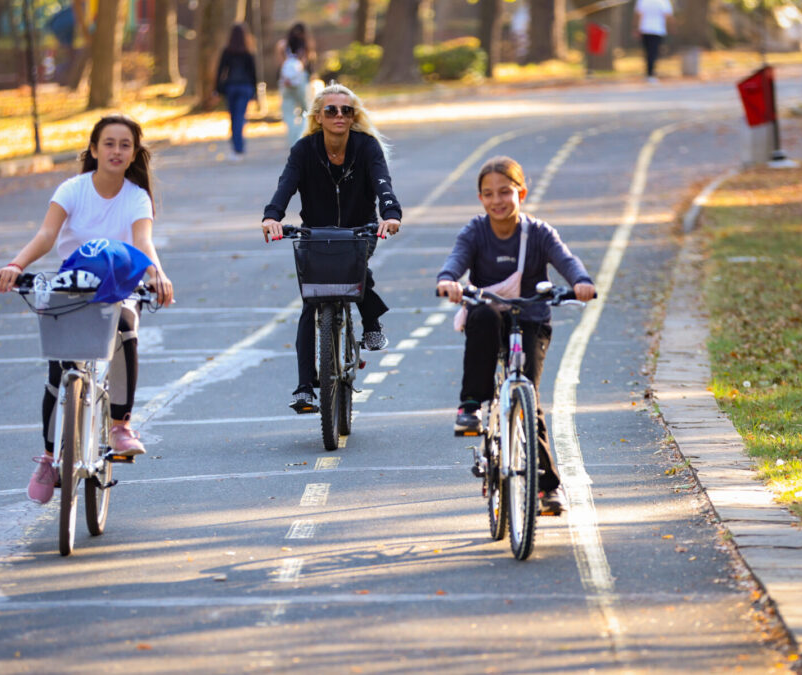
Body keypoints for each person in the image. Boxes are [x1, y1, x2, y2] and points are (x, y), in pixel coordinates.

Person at [0, 114, 175, 504]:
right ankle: (48, 458)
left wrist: (157, 274)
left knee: (126, 326)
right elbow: (47, 235)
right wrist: (16, 265)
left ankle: (120, 426)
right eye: (108, 143)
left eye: (125, 145)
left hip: (119, 286)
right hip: (73, 287)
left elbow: (144, 243)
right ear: (94, 149)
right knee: (58, 372)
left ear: (133, 154)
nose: (116, 151)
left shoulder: (136, 197)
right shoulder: (72, 190)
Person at [436, 156, 596, 516]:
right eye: (489, 194)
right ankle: (471, 407)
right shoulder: (475, 232)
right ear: (481, 198)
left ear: (521, 193)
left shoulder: (538, 233)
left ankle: (547, 489)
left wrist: (581, 282)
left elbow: (566, 260)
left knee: (528, 399)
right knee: (482, 315)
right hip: (489, 319)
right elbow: (456, 259)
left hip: (531, 319)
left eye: (505, 192)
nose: (498, 200)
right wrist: (448, 279)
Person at [262, 83, 402, 414]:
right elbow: (286, 185)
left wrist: (391, 214)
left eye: (346, 110)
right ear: (318, 117)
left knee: (355, 268)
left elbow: (382, 182)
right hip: (316, 235)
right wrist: (272, 216)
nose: (339, 115)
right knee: (311, 303)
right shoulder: (304, 150)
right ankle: (304, 388)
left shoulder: (366, 147)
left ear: (354, 116)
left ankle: (371, 324)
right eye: (331, 110)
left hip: (359, 231)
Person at [215, 23, 260, 161]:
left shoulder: (227, 51)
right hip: (245, 87)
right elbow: (253, 73)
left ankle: (237, 146)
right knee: (240, 116)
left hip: (231, 87)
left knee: (234, 116)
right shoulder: (248, 51)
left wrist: (217, 89)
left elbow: (221, 71)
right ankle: (238, 146)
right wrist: (255, 92)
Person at [275, 22, 315, 149]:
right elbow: (307, 64)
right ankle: (301, 135)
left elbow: (281, 64)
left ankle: (293, 139)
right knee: (306, 110)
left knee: (288, 112)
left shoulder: (282, 45)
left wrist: (286, 77)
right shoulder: (306, 45)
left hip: (286, 82)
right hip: (301, 80)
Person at [634, 0, 674, 82]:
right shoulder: (663, 1)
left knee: (648, 52)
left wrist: (637, 28)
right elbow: (667, 14)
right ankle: (650, 73)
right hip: (657, 29)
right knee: (653, 52)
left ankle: (649, 72)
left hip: (645, 28)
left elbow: (639, 14)